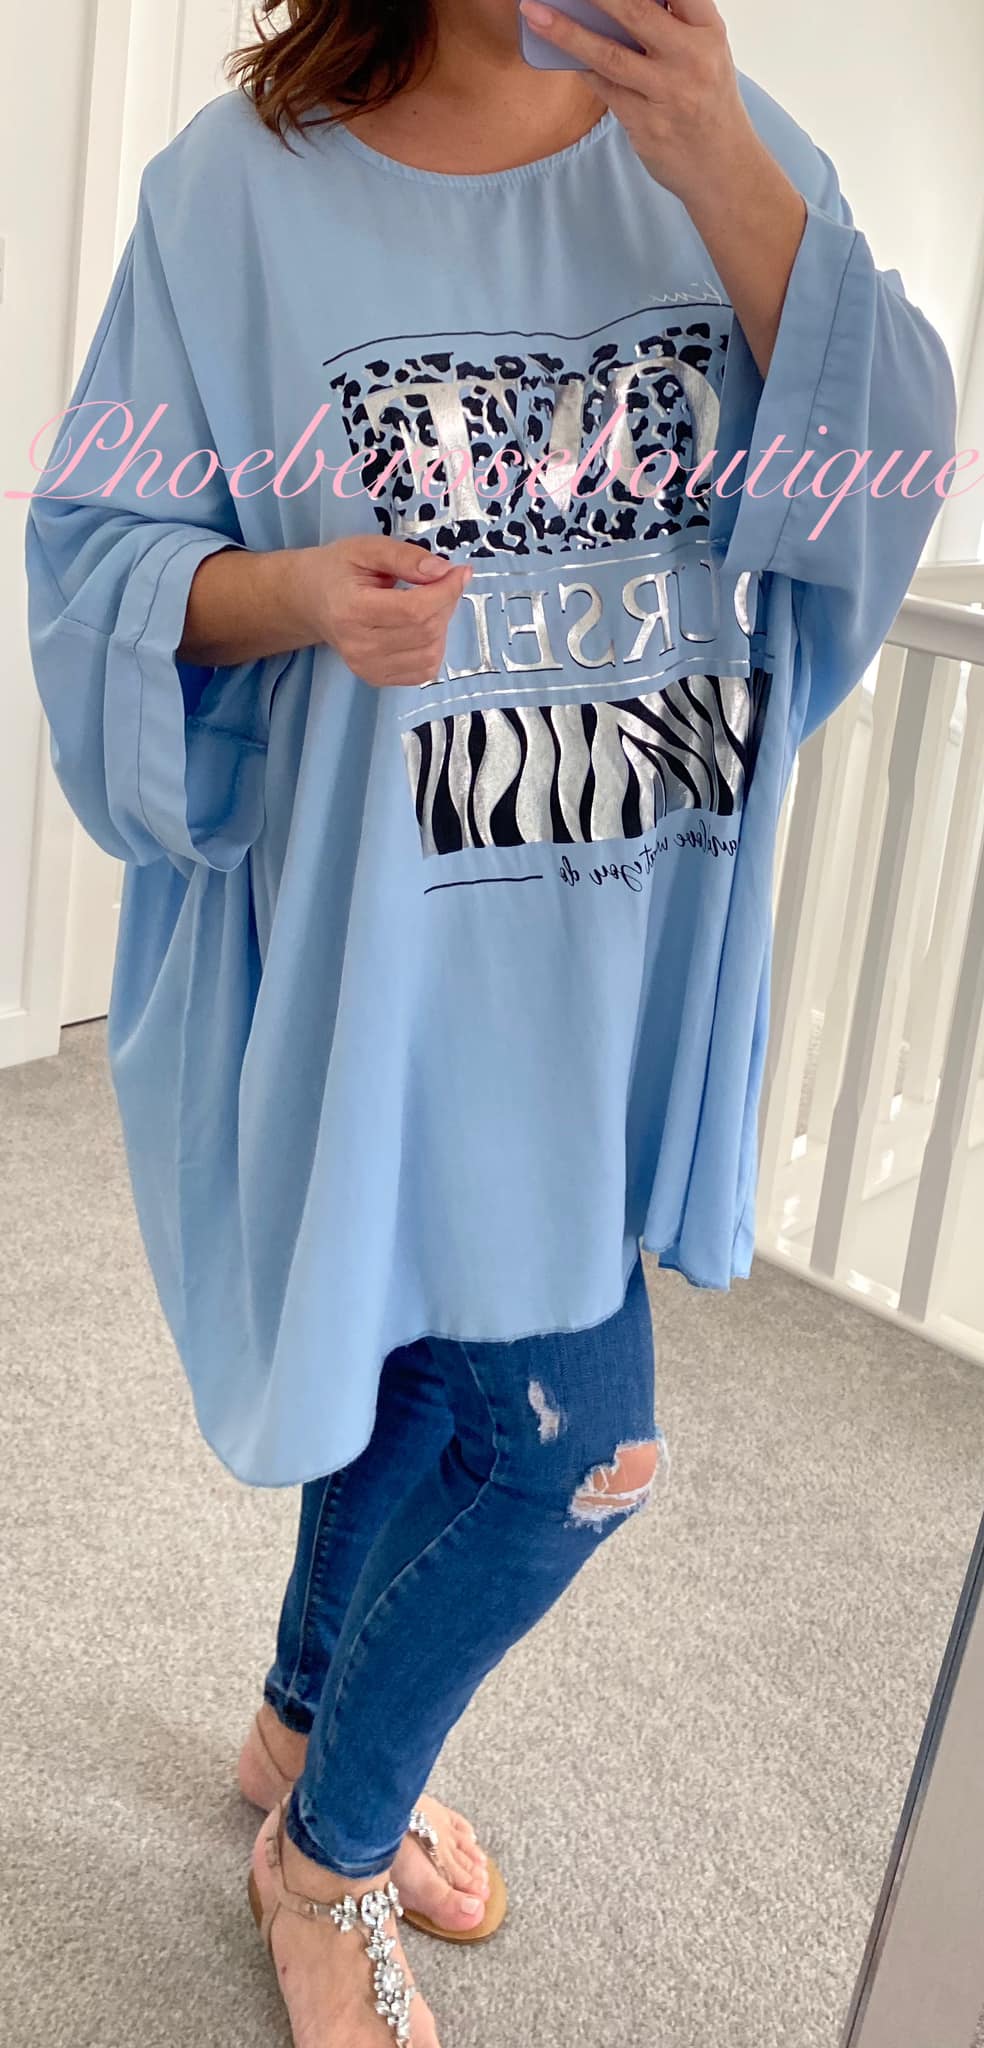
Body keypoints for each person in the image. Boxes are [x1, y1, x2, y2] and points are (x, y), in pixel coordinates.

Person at [24, 0, 956, 2040]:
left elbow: (883, 478)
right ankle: (328, 1857)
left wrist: (716, 153)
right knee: (573, 1459)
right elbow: (94, 561)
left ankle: (298, 1730)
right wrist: (298, 597)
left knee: (430, 1375)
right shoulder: (240, 193)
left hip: (618, 936)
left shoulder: (727, 146)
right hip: (392, 946)